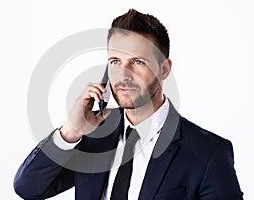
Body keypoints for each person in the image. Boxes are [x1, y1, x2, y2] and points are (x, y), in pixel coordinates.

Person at [14, 9, 243, 200]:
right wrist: (70, 132)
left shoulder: (209, 153)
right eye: (115, 61)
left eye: (138, 62)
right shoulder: (95, 135)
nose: (123, 74)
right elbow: (29, 188)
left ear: (164, 69)